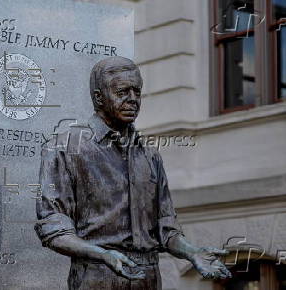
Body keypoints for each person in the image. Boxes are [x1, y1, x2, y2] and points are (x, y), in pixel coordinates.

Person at [35, 56, 232, 290]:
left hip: (148, 278)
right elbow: (53, 228)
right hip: (97, 276)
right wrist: (103, 255)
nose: (132, 100)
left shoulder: (149, 154)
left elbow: (165, 228)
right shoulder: (65, 147)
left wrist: (192, 252)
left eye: (137, 92)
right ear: (99, 97)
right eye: (122, 92)